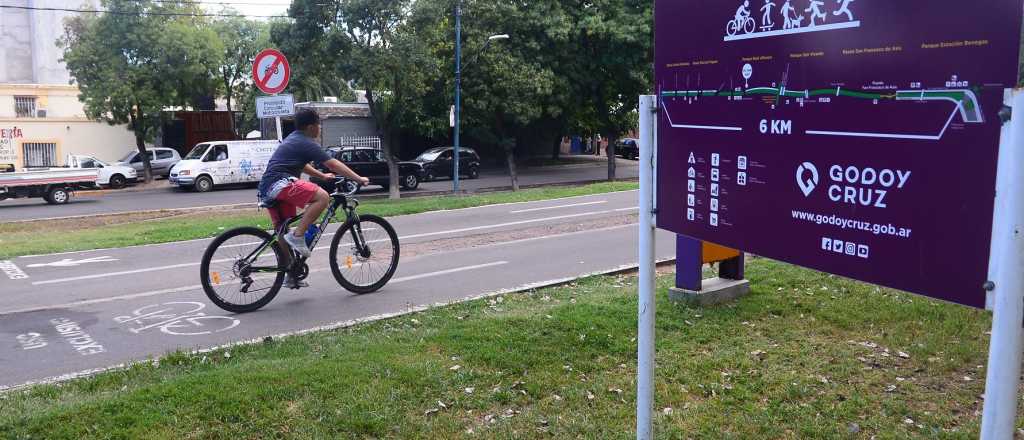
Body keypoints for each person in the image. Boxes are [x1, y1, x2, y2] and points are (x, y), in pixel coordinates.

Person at [257, 108, 369, 271]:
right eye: (319, 125)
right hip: (280, 183)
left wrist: (322, 177)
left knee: (282, 229)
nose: (320, 128)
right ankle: (298, 236)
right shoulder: (306, 142)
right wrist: (358, 178)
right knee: (322, 197)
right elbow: (333, 164)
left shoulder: (294, 139)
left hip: (268, 187)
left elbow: (301, 165)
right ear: (310, 127)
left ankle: (290, 271)